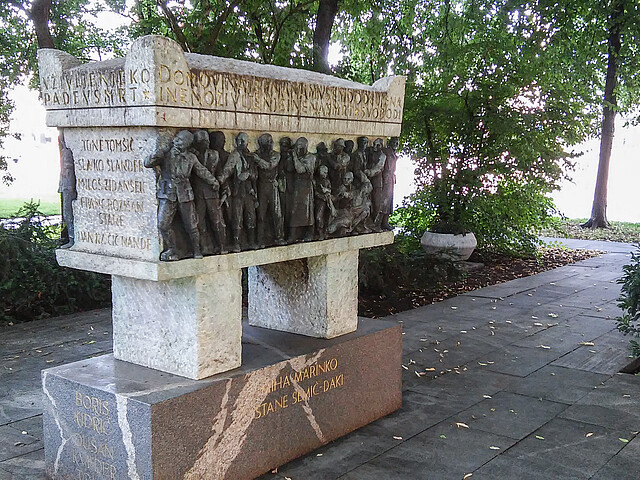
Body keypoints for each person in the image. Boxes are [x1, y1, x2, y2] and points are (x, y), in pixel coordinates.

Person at [145, 130, 218, 261]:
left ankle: (196, 249)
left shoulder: (191, 157)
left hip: (185, 194)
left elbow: (201, 171)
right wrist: (157, 154)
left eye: (180, 140)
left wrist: (213, 181)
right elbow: (147, 163)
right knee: (163, 224)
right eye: (176, 138)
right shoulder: (166, 154)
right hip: (168, 194)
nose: (175, 141)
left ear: (187, 144)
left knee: (191, 224)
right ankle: (172, 249)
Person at [218, 132, 258, 252]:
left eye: (244, 141)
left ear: (247, 143)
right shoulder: (234, 155)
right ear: (236, 142)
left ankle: (251, 241)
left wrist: (249, 174)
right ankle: (236, 243)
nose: (241, 143)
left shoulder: (251, 157)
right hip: (238, 191)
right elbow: (228, 170)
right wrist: (220, 179)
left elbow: (255, 175)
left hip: (249, 191)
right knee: (237, 218)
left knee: (251, 217)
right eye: (239, 141)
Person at [191, 130, 227, 254]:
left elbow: (220, 172)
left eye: (206, 141)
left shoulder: (215, 155)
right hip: (198, 193)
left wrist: (221, 182)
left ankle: (222, 246)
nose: (205, 144)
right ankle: (204, 247)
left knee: (217, 221)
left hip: (212, 193)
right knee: (199, 222)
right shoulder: (192, 156)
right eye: (202, 141)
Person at [253, 133, 285, 247]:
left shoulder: (276, 155)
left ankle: (279, 237)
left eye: (271, 142)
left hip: (272, 186)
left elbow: (270, 166)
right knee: (261, 214)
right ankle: (259, 240)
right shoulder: (256, 154)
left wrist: (257, 160)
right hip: (261, 186)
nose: (271, 144)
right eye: (268, 142)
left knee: (277, 213)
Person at [288, 137, 316, 242]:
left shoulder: (310, 158)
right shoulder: (298, 157)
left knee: (307, 212)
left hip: (306, 188)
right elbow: (290, 169)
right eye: (297, 147)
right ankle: (293, 234)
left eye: (300, 147)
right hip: (297, 187)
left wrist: (294, 156)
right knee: (294, 210)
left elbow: (300, 169)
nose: (298, 149)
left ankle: (310, 233)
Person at [58, 132, 76, 248]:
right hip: (64, 186)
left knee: (68, 212)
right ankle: (72, 238)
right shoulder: (65, 152)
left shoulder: (67, 153)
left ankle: (73, 238)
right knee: (66, 213)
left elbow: (68, 171)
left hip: (68, 187)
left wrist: (70, 188)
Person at [364, 138, 387, 231]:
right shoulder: (369, 152)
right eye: (374, 144)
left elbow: (379, 167)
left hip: (377, 182)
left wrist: (370, 172)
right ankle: (366, 223)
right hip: (367, 181)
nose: (375, 147)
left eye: (377, 145)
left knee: (377, 202)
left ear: (381, 146)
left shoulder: (382, 156)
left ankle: (376, 223)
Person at [381, 137, 399, 230]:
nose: (396, 144)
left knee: (389, 201)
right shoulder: (386, 151)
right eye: (394, 142)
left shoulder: (393, 153)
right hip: (386, 177)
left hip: (391, 178)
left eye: (397, 143)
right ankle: (381, 222)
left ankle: (385, 221)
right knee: (384, 200)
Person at [314, 165, 335, 240]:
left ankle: (325, 232)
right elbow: (315, 192)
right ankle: (319, 232)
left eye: (326, 173)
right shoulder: (315, 181)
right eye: (324, 172)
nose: (325, 174)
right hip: (318, 202)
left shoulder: (327, 181)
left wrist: (326, 190)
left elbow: (330, 189)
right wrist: (321, 196)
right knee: (318, 217)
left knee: (327, 217)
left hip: (327, 202)